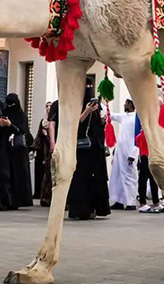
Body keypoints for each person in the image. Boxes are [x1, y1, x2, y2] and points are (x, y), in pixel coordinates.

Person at [66, 78, 111, 221]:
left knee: (96, 180)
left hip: (96, 149)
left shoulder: (98, 108)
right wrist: (86, 111)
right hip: (82, 150)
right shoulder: (75, 104)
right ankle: (80, 209)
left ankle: (94, 208)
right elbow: (73, 125)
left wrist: (102, 120)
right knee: (81, 179)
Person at [0, 93, 33, 211]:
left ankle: (14, 200)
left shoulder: (21, 116)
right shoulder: (3, 113)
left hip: (17, 151)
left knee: (16, 175)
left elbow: (23, 132)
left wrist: (10, 125)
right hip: (4, 148)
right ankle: (4, 199)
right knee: (4, 173)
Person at [108, 99, 139, 210]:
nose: (124, 104)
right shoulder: (124, 116)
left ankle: (131, 202)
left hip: (130, 151)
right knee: (117, 176)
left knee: (129, 176)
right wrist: (101, 102)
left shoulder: (137, 117)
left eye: (126, 103)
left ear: (131, 104)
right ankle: (119, 200)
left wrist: (134, 153)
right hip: (120, 151)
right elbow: (110, 115)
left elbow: (138, 137)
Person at [136, 111, 162, 213]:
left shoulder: (146, 133)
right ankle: (143, 202)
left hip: (150, 156)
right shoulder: (144, 134)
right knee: (144, 179)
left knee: (153, 179)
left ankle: (155, 202)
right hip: (145, 157)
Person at [33, 102, 54, 206]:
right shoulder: (43, 121)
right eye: (47, 106)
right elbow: (38, 136)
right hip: (43, 151)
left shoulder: (54, 120)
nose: (48, 108)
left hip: (52, 149)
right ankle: (44, 197)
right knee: (45, 174)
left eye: (50, 106)